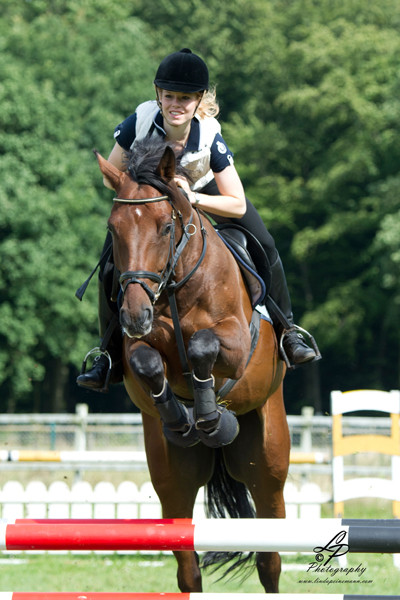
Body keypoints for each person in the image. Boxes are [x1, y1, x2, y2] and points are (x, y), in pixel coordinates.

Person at [77, 48, 318, 392]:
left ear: (198, 100)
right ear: (158, 94)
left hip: (208, 199)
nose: (176, 104)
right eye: (169, 96)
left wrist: (194, 197)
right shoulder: (142, 120)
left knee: (265, 243)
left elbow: (235, 202)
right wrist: (145, 189)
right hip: (154, 205)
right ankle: (108, 354)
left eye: (185, 98)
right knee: (110, 264)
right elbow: (109, 176)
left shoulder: (208, 136)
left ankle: (288, 331)